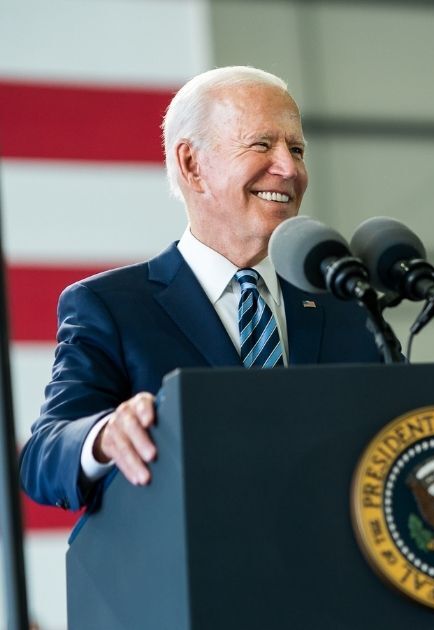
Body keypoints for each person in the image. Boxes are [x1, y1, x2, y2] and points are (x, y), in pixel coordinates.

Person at [19, 66, 381, 512]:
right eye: (262, 145)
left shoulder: (346, 303)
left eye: (297, 149)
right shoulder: (111, 307)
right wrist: (105, 435)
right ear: (192, 165)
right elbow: (42, 459)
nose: (289, 168)